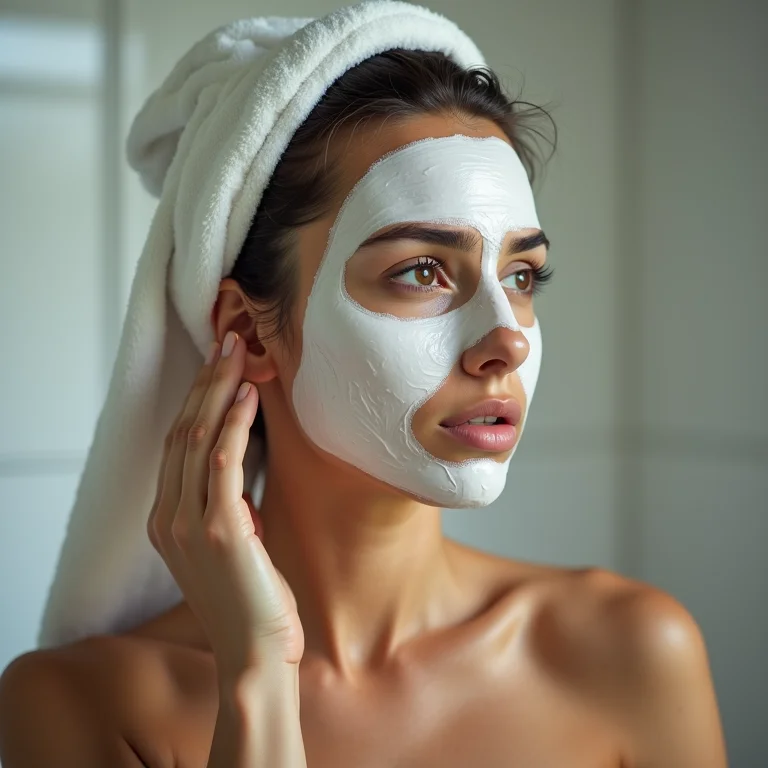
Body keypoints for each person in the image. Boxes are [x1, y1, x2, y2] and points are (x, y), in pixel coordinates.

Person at [0, 12, 727, 768]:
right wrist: (258, 674)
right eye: (421, 270)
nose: (507, 338)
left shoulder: (632, 652)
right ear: (248, 334)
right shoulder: (85, 707)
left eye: (521, 276)